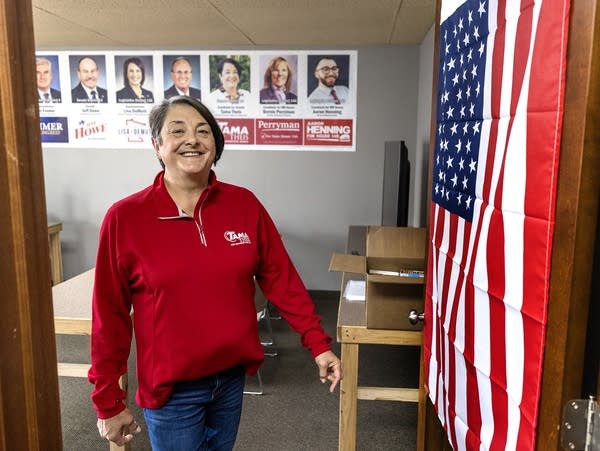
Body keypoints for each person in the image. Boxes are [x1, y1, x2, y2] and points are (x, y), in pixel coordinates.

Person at [89, 96, 343, 450]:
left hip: (230, 379)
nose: (192, 139)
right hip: (172, 390)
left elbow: (282, 280)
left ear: (216, 144)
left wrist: (318, 344)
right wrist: (107, 402)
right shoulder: (125, 218)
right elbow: (109, 318)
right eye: (178, 131)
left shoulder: (244, 205)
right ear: (157, 145)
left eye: (203, 131)